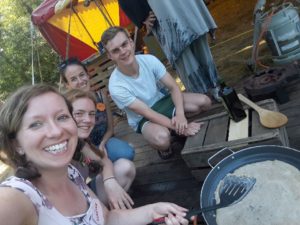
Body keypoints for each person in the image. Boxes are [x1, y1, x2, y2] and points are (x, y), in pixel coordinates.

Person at [0, 84, 190, 225]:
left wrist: (152, 210)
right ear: (16, 144)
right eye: (36, 124)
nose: (56, 131)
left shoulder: (71, 175)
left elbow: (106, 219)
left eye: (62, 117)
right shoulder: (17, 197)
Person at [102, 26, 212, 159]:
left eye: (124, 44)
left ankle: (175, 129)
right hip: (143, 119)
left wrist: (181, 115)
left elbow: (173, 87)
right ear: (109, 56)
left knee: (205, 102)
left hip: (162, 101)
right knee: (162, 139)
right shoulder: (115, 86)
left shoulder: (149, 60)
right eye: (115, 50)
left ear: (131, 42)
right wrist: (185, 127)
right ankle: (166, 145)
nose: (123, 51)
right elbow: (147, 113)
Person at [118, 0, 221, 100]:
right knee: (182, 53)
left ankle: (214, 86)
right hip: (164, 9)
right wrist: (142, 15)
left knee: (198, 39)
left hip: (185, 5)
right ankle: (201, 95)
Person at [65, 88, 135, 209]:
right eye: (78, 113)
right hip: (71, 208)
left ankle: (113, 207)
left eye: (91, 114)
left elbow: (104, 160)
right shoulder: (58, 147)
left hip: (86, 192)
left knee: (126, 167)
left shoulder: (80, 142)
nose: (87, 120)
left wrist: (109, 181)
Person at [59, 57, 135, 162]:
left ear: (87, 74)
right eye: (73, 79)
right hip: (84, 150)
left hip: (106, 141)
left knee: (128, 153)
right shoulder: (67, 106)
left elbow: (110, 129)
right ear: (67, 85)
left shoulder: (101, 97)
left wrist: (102, 145)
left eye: (82, 75)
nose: (80, 81)